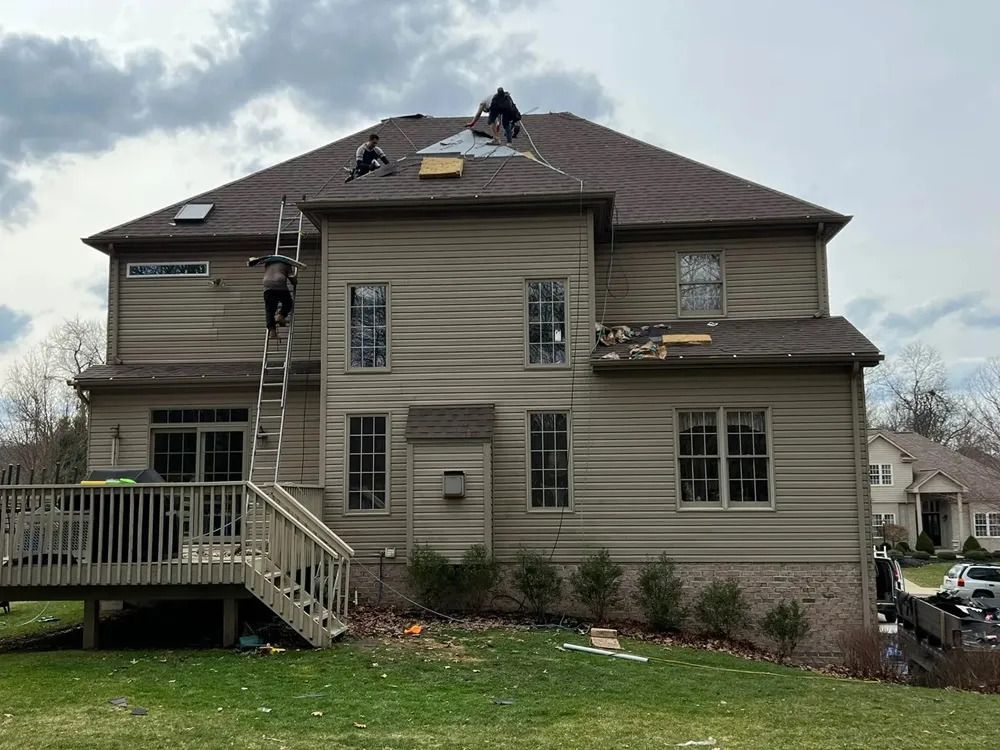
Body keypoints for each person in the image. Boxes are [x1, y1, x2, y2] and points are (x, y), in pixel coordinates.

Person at [262, 259, 297, 339]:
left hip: (267, 285)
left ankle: (272, 332)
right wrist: (295, 281)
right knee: (288, 302)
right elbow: (291, 277)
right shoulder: (286, 263)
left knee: (270, 310)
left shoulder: (268, 263)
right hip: (279, 283)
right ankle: (281, 316)